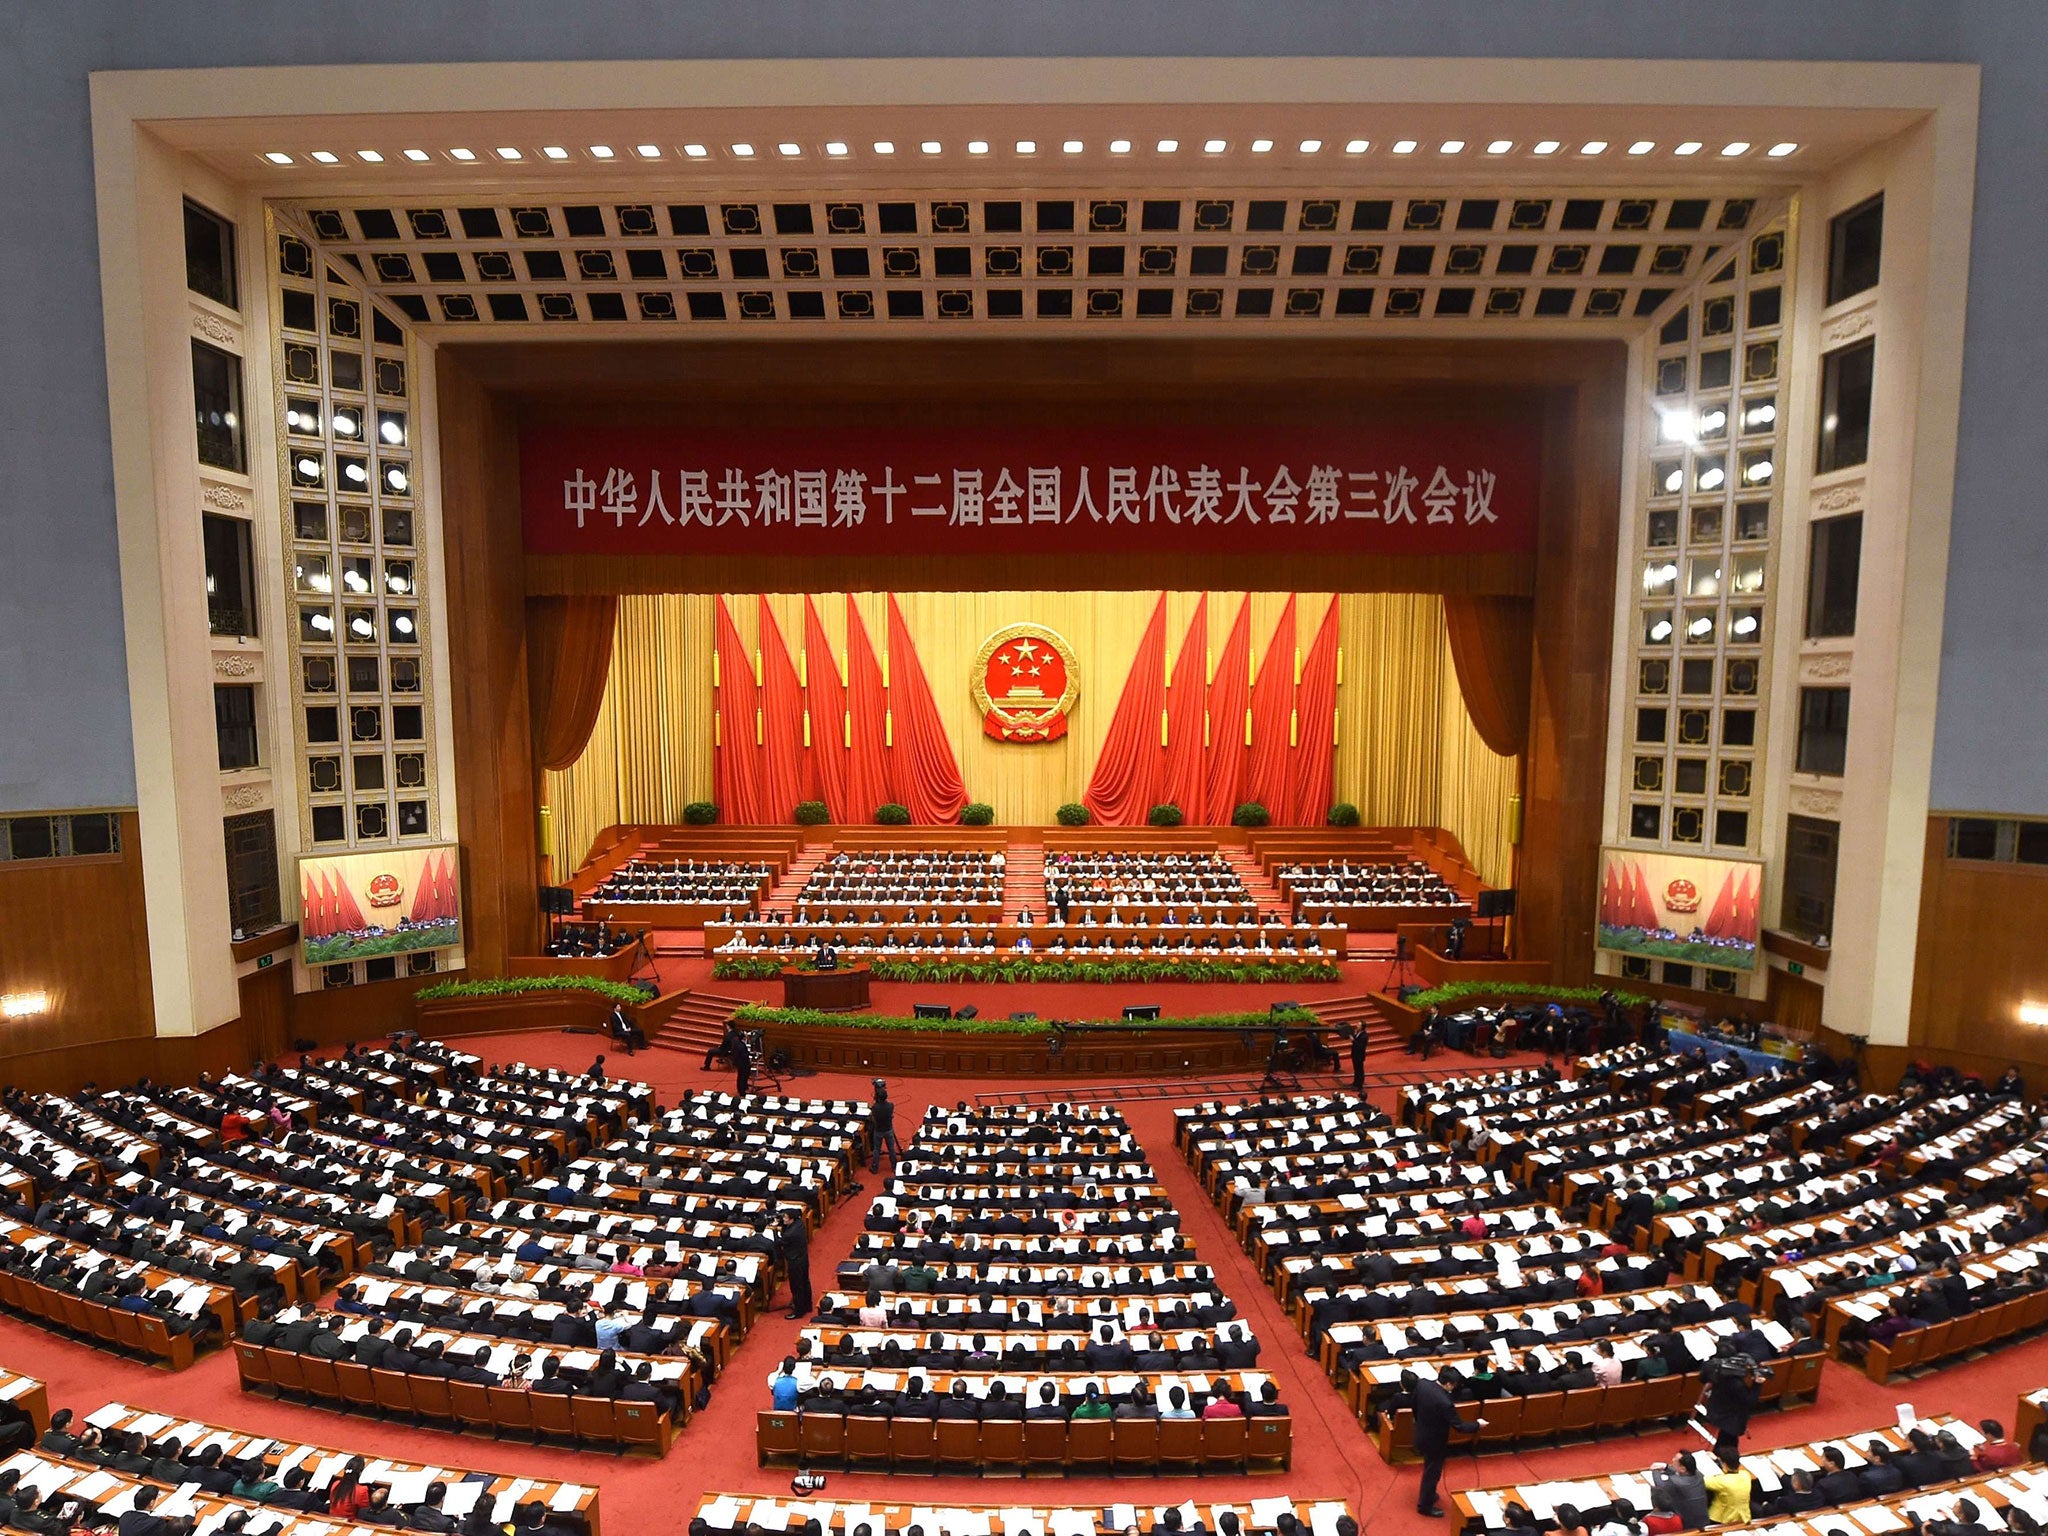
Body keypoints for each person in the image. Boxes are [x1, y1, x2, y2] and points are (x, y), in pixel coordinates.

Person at [1404, 1367, 1483, 1517]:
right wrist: (1477, 1425)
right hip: (1435, 1441)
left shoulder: (1423, 1384)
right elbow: (1459, 1426)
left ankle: (1430, 1494)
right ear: (1448, 1384)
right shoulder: (1445, 1402)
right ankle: (1424, 1506)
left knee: (1430, 1468)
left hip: (1422, 1433)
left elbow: (1413, 1403)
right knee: (1432, 1473)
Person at [780, 1208, 813, 1320]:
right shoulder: (799, 1223)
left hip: (795, 1262)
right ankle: (807, 1305)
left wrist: (775, 1231)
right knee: (805, 1281)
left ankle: (799, 1310)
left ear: (791, 1219)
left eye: (785, 1218)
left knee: (796, 1286)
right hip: (803, 1258)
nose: (783, 1219)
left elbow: (781, 1241)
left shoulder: (790, 1234)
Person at [868, 1078, 900, 1173]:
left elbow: (873, 1118)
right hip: (888, 1130)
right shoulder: (891, 1105)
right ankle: (894, 1167)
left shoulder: (875, 1107)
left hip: (878, 1130)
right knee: (891, 1149)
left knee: (877, 1150)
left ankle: (875, 1167)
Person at [1349, 1024, 1368, 1093]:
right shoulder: (1357, 1033)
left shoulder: (1364, 1036)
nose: (1357, 1026)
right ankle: (1355, 1083)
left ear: (1362, 1027)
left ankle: (1359, 1085)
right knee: (1356, 1069)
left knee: (1360, 1070)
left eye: (1359, 1025)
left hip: (1359, 1055)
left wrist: (1353, 1040)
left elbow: (1360, 1046)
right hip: (1355, 1054)